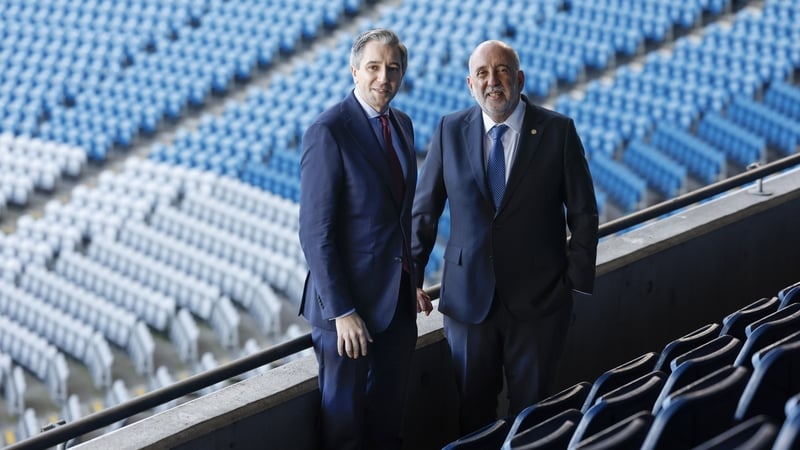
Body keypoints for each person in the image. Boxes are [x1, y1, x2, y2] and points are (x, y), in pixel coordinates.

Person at [411, 39, 599, 435]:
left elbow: (583, 212)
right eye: (482, 73)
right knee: (472, 418)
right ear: (469, 84)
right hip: (467, 305)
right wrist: (411, 277)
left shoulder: (558, 130)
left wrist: (571, 284)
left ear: (519, 78)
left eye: (501, 71)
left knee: (535, 417)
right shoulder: (448, 130)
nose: (492, 81)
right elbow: (424, 213)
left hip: (540, 304)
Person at [298, 28, 431, 450]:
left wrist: (407, 281)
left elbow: (397, 219)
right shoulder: (329, 130)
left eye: (393, 68)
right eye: (373, 67)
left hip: (395, 306)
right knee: (345, 429)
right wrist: (342, 311)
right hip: (347, 314)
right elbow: (315, 233)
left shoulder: (403, 124)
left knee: (387, 421)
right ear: (354, 70)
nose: (383, 77)